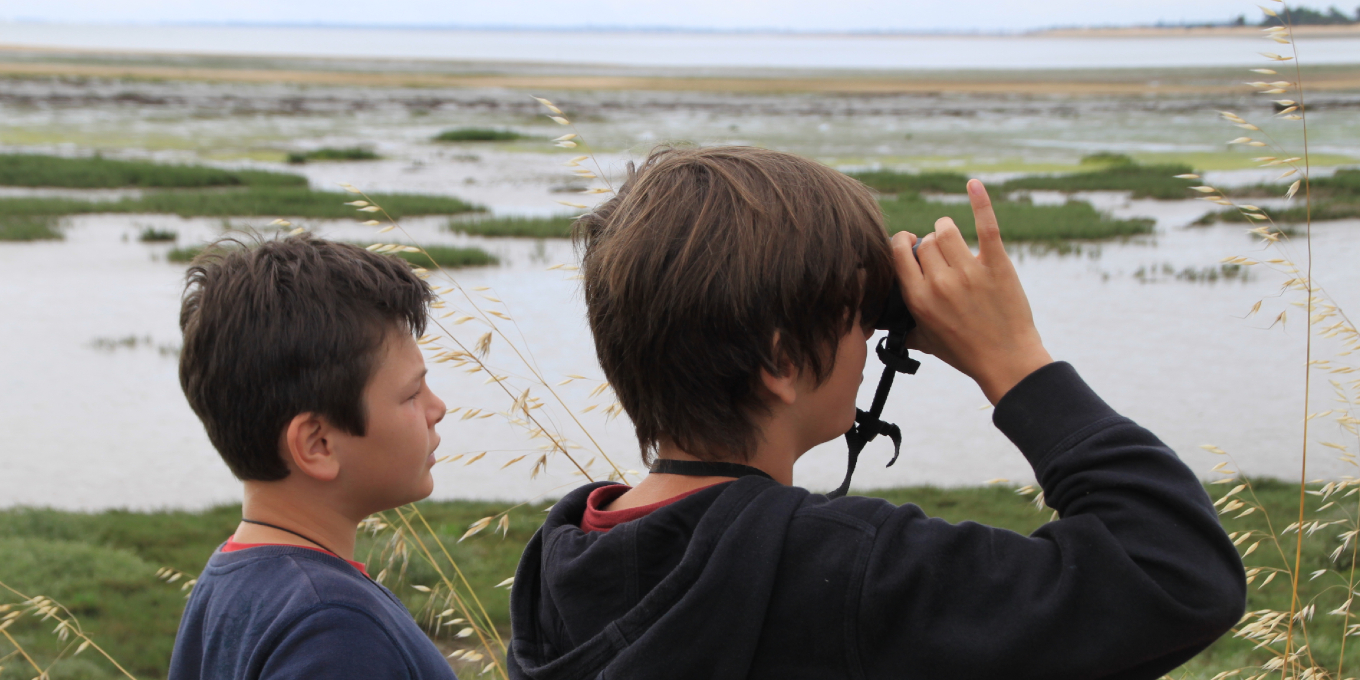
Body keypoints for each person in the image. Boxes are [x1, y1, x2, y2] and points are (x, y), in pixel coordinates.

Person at [507, 146, 1246, 679]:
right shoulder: (851, 573)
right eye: (861, 320)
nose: (871, 343)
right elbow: (1177, 576)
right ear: (781, 363)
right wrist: (1016, 361)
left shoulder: (559, 568)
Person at [168, 235, 457, 680]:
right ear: (317, 444)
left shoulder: (228, 582)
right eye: (412, 394)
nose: (438, 409)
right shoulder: (333, 630)